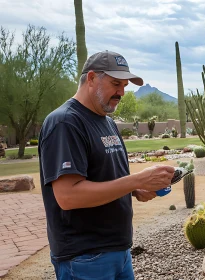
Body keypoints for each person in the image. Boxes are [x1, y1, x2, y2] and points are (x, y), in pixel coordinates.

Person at [38, 50, 176, 279]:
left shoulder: (107, 123)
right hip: (84, 258)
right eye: (115, 84)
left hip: (118, 252)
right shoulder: (65, 122)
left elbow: (104, 177)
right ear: (91, 79)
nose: (121, 92)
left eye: (124, 86)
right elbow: (67, 197)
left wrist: (134, 189)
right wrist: (137, 179)